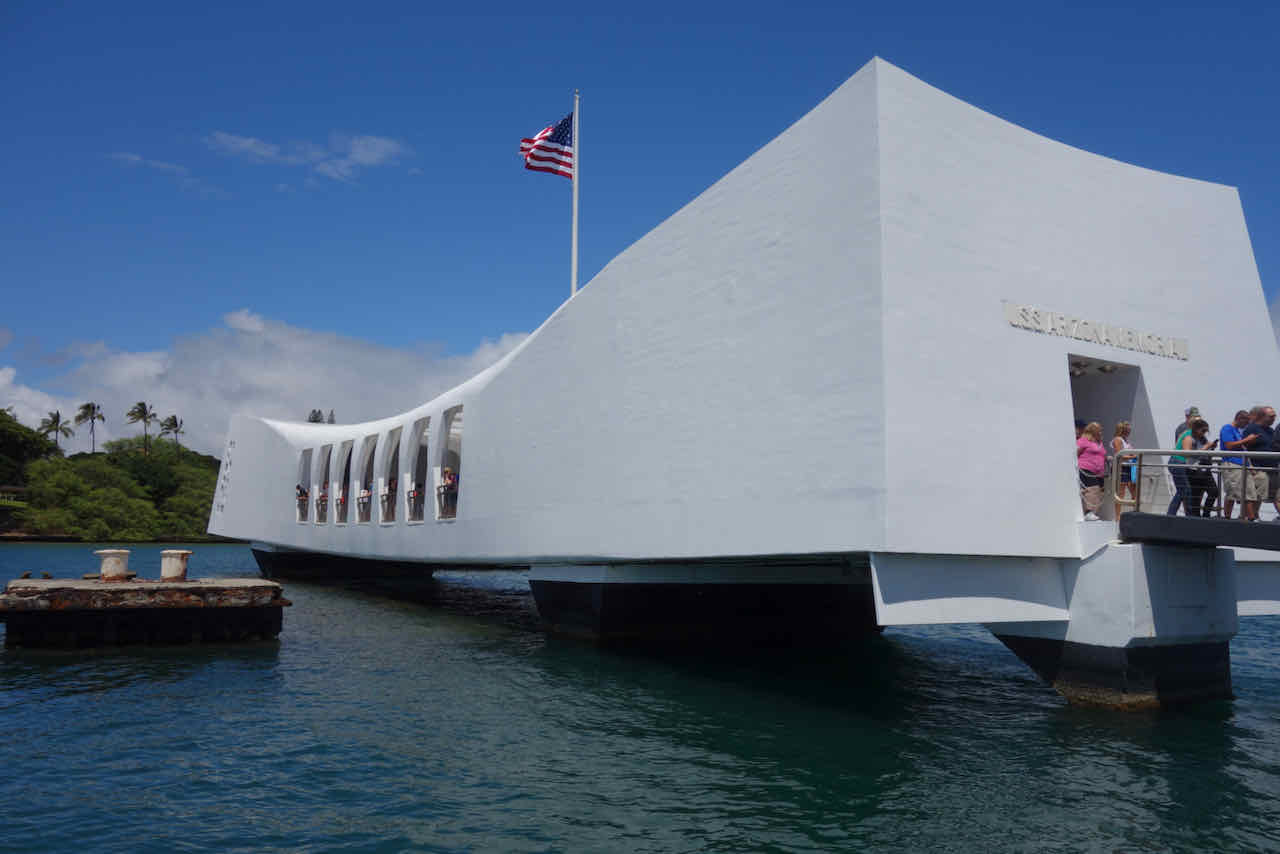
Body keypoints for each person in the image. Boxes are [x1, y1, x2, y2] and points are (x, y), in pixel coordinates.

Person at [1241, 406, 1277, 522]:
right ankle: (1252, 517)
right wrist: (1250, 467)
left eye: (1274, 416)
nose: (1274, 418)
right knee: (1257, 495)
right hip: (1258, 468)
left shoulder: (1271, 431)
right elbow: (1243, 448)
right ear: (1262, 416)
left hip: (1273, 468)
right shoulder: (1251, 429)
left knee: (1274, 496)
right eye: (1271, 416)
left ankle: (1254, 516)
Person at [1183, 419, 1219, 517]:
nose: (1204, 433)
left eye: (1206, 431)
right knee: (1196, 497)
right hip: (1193, 471)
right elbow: (1187, 454)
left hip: (1205, 470)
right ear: (1196, 429)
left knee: (1214, 492)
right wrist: (1206, 447)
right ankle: (1196, 518)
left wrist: (1211, 447)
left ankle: (1206, 514)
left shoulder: (1203, 440)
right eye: (1203, 431)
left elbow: (1203, 453)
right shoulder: (1188, 439)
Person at [1219, 410, 1252, 519]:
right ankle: (1227, 517)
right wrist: (1246, 440)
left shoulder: (1238, 431)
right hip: (1231, 464)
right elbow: (1229, 446)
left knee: (1247, 493)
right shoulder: (1227, 428)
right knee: (1232, 492)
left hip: (1241, 464)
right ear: (1239, 419)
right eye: (1246, 422)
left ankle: (1250, 518)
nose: (1246, 425)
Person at [1077, 422, 1106, 521]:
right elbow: (1076, 452)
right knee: (1092, 489)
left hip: (1099, 472)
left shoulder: (1099, 442)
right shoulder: (1083, 440)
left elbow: (1102, 454)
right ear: (1093, 430)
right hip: (1086, 469)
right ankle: (1088, 512)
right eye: (1099, 429)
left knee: (1099, 492)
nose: (1101, 431)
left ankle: (1093, 513)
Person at [1111, 421, 1136, 518]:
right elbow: (1119, 455)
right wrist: (1133, 456)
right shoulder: (1117, 440)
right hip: (1121, 468)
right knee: (1120, 494)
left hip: (1129, 468)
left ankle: (1135, 514)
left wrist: (1132, 456)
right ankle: (1117, 517)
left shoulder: (1125, 440)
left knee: (1134, 492)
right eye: (1128, 430)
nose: (1129, 432)